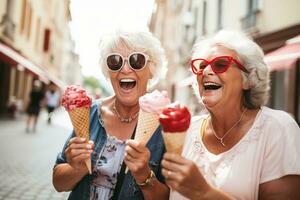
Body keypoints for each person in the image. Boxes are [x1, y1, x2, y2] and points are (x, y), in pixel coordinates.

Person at [161, 30, 300, 200]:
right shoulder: (187, 130)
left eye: (220, 64)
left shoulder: (278, 128)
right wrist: (144, 176)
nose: (206, 72)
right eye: (202, 66)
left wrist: (203, 192)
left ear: (248, 79)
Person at [52, 31, 169, 200]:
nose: (126, 69)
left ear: (151, 69)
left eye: (137, 60)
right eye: (115, 61)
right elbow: (58, 183)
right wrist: (77, 167)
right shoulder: (90, 112)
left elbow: (171, 196)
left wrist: (144, 175)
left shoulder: (166, 126)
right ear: (108, 71)